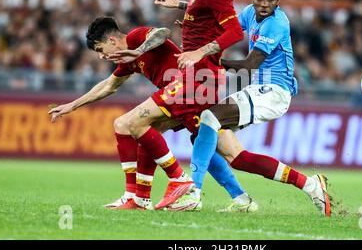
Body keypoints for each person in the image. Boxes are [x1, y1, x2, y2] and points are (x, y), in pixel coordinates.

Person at [49, 17, 257, 212]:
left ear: (112, 40)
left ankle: (176, 182)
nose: (101, 56)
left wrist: (139, 51)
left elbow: (163, 33)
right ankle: (238, 198)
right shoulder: (126, 60)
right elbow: (109, 86)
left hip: (189, 89)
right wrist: (73, 105)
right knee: (214, 150)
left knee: (127, 124)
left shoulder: (136, 37)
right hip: (184, 96)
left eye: (100, 49)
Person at [168, 0, 332, 217]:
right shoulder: (248, 13)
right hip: (258, 89)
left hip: (274, 91)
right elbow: (225, 25)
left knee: (209, 118)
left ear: (278, 1)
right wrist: (184, 7)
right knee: (230, 153)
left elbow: (249, 65)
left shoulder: (276, 23)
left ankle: (193, 191)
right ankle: (307, 186)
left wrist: (207, 58)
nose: (264, 4)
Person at [109, 0, 246, 211]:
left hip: (199, 78)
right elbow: (205, 14)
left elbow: (235, 32)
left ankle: (180, 181)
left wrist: (199, 53)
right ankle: (141, 197)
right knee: (202, 142)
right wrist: (181, 5)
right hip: (194, 77)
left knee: (132, 123)